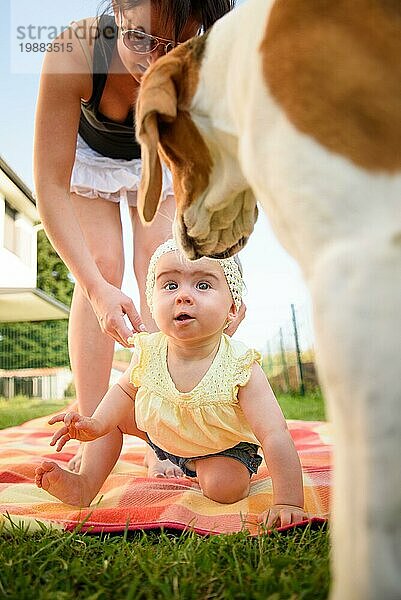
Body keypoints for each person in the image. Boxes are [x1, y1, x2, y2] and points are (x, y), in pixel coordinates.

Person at [33, 0, 240, 474]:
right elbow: (49, 186)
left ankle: (163, 433)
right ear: (119, 12)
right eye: (140, 39)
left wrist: (226, 274)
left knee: (163, 265)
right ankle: (92, 430)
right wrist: (95, 288)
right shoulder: (76, 49)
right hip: (92, 159)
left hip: (163, 157)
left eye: (175, 45)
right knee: (103, 265)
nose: (155, 61)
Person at [35, 239, 306, 528]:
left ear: (232, 308)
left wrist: (288, 501)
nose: (183, 296)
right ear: (152, 304)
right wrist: (97, 424)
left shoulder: (239, 365)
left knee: (223, 489)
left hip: (220, 445)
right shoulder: (149, 350)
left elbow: (275, 433)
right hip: (162, 431)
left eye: (203, 285)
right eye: (170, 285)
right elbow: (124, 391)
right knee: (110, 418)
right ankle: (85, 484)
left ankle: (199, 466)